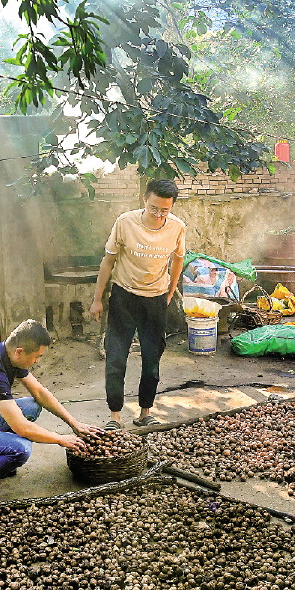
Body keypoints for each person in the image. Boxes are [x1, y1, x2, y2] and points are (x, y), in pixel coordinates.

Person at [0, 319, 103, 506]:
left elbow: (39, 393)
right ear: (19, 351)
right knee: (21, 449)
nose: (37, 361)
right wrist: (60, 438)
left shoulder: (6, 353)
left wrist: (73, 423)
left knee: (31, 405)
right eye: (37, 356)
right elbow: (22, 428)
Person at [89, 179, 186, 429]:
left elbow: (178, 260)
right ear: (145, 199)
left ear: (172, 207)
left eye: (164, 210)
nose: (158, 214)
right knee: (116, 358)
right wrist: (97, 299)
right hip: (124, 297)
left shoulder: (177, 228)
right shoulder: (125, 222)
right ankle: (115, 416)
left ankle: (145, 413)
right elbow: (108, 261)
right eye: (154, 208)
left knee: (152, 360)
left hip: (155, 300)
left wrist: (170, 292)